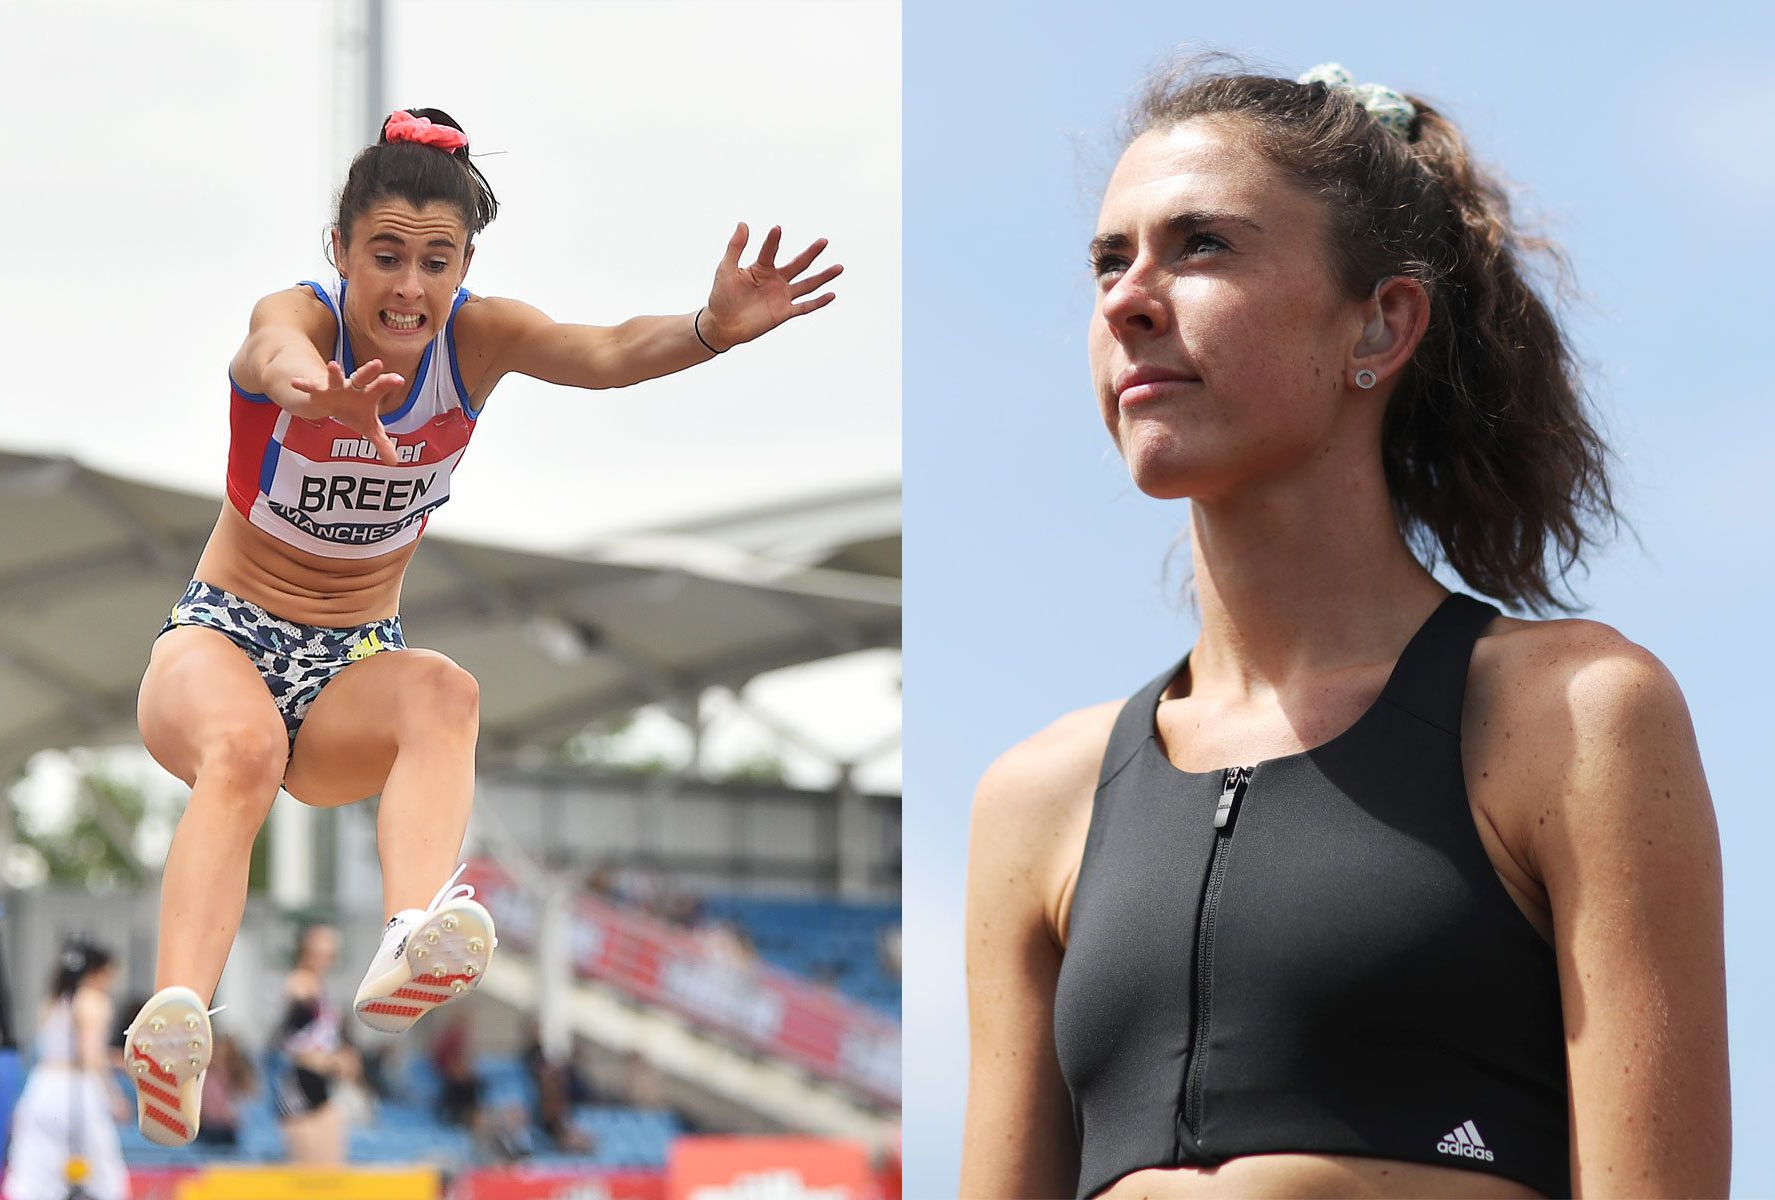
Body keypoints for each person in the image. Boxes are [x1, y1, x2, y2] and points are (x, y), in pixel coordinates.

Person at [961, 59, 1729, 1199]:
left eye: (1202, 246)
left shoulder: (1573, 717)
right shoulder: (1039, 799)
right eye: (1108, 260)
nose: (1128, 298)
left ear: (1382, 321)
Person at [122, 106, 839, 1147]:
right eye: (385, 257)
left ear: (463, 266)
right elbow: (265, 351)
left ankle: (414, 933)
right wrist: (314, 393)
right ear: (340, 252)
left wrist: (707, 329)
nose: (409, 287)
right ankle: (175, 1023)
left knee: (446, 688)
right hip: (221, 639)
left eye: (436, 261)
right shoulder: (304, 319)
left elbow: (598, 351)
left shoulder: (479, 340)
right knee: (242, 747)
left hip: (348, 666)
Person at [2, 939, 128, 1200]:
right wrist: (115, 1096)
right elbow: (91, 1057)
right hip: (76, 1089)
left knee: (35, 1172)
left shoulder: (54, 1000)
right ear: (96, 971)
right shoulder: (93, 1001)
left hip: (42, 1086)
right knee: (104, 1172)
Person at [271, 923, 359, 1166]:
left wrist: (342, 1056)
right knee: (308, 1171)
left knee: (331, 1166)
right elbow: (287, 1039)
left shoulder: (322, 990)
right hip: (298, 1081)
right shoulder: (299, 985)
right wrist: (327, 1057)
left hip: (321, 1081)